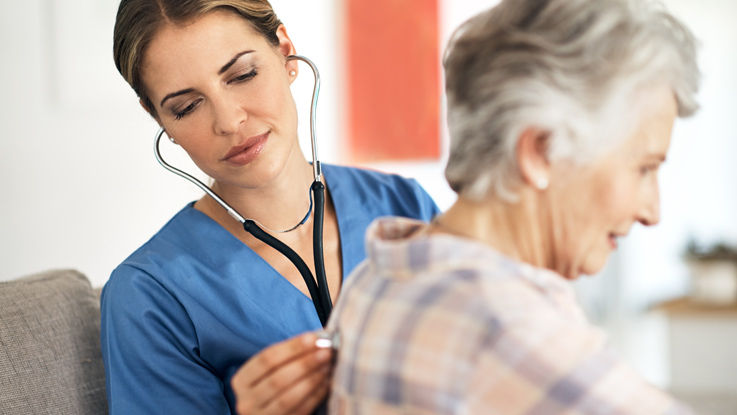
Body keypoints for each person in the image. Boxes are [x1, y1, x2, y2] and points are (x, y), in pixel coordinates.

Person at [327, 0, 700, 413]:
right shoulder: (512, 331)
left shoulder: (370, 283)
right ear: (540, 152)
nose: (653, 211)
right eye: (644, 168)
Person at [101, 1, 439, 414]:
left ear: (284, 51)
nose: (228, 120)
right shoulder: (150, 295)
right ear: (158, 118)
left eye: (242, 75)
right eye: (186, 106)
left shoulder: (404, 206)